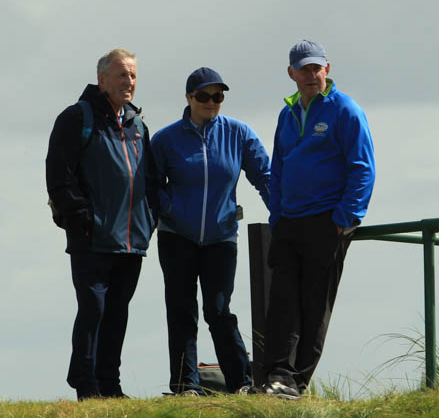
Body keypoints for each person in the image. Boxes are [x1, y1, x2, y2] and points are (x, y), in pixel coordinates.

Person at [261, 40, 375, 399]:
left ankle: (296, 381)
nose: (311, 75)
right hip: (290, 221)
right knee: (282, 302)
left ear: (328, 69)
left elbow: (363, 168)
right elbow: (278, 169)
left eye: (316, 68)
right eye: (304, 69)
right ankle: (276, 376)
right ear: (291, 73)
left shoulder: (345, 110)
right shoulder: (287, 114)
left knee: (314, 305)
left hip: (326, 221)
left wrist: (344, 218)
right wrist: (277, 214)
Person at [151, 67, 271, 395]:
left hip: (221, 237)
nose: (211, 102)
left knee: (218, 311)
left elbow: (265, 176)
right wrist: (170, 209)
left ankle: (241, 383)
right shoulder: (165, 139)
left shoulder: (238, 133)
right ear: (188, 98)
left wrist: (282, 215)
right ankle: (185, 385)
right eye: (203, 96)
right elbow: (150, 184)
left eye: (218, 96)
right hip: (177, 236)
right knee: (181, 310)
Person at [45, 48, 155, 400]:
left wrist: (148, 221)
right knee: (93, 310)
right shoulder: (77, 117)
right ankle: (86, 383)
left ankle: (110, 384)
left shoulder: (138, 125)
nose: (129, 81)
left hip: (131, 240)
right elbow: (58, 177)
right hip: (92, 238)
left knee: (117, 314)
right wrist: (81, 220)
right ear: (102, 79)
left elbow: (150, 180)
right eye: (122, 74)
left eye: (133, 75)